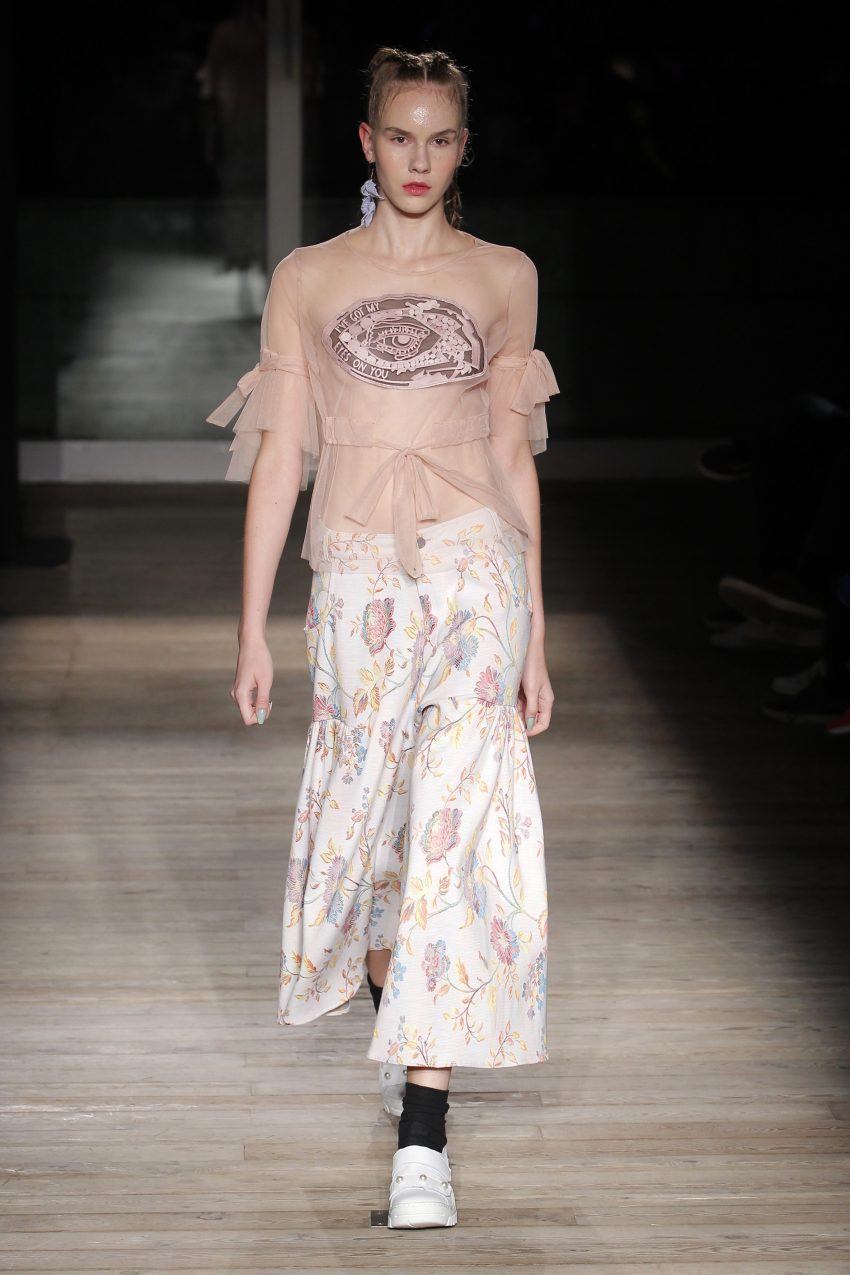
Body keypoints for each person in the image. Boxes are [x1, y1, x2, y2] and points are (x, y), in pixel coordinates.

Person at [207, 46, 560, 1229]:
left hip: (475, 573)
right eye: (399, 137)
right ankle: (406, 1022)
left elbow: (512, 457)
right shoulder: (308, 278)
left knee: (459, 832)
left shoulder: (504, 275)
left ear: (463, 149)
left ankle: (423, 1140)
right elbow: (281, 460)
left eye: (440, 139)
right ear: (367, 142)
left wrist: (536, 631)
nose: (419, 159)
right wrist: (252, 628)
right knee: (369, 846)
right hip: (358, 580)